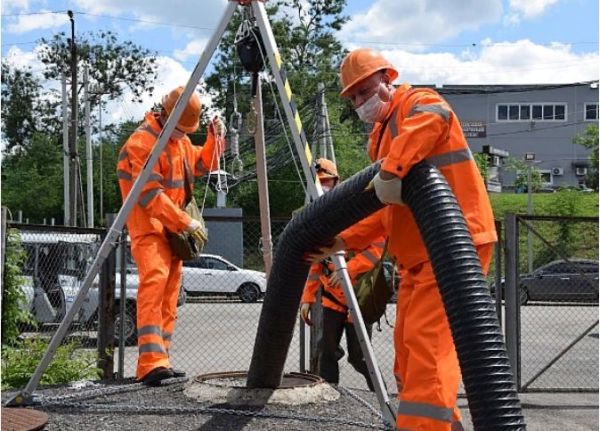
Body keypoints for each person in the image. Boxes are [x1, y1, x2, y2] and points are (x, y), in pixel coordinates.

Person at [308, 49, 497, 431]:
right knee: (407, 356)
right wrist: (342, 239)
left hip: (453, 247)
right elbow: (386, 211)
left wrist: (392, 170)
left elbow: (435, 120)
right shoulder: (379, 138)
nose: (361, 101)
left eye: (365, 91)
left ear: (386, 78)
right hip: (417, 258)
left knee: (427, 352)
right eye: (355, 97)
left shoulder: (418, 102)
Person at [117, 86, 225, 386]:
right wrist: (186, 222)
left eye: (186, 130)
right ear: (166, 114)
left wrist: (215, 137)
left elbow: (205, 164)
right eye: (180, 129)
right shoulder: (141, 143)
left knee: (169, 294)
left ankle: (160, 358)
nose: (182, 134)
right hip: (150, 228)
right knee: (155, 283)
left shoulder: (178, 141)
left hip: (172, 231)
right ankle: (150, 363)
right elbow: (150, 196)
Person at [300, 158, 386, 391]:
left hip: (359, 294)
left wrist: (350, 269)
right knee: (325, 350)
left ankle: (381, 395)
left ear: (337, 181)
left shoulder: (354, 208)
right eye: (319, 183)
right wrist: (307, 299)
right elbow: (315, 263)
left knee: (359, 356)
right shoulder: (318, 217)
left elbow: (377, 247)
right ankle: (330, 393)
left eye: (327, 182)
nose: (323, 187)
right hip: (332, 297)